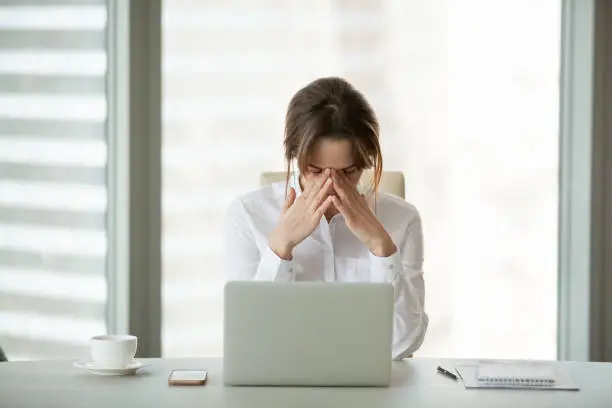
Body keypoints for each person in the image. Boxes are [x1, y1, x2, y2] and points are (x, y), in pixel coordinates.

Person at [224, 77, 428, 360]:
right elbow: (251, 341)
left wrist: (382, 247)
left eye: (347, 172)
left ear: (366, 162)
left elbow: (402, 345)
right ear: (295, 156)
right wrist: (280, 246)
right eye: (316, 170)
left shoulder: (403, 220)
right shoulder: (247, 215)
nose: (331, 184)